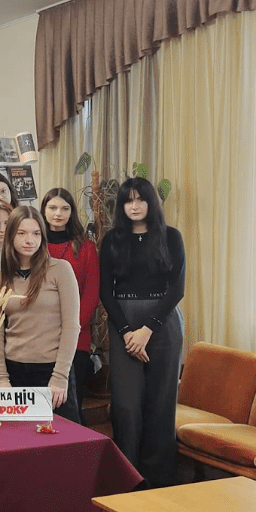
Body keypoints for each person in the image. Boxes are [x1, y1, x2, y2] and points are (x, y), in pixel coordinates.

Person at [99, 178, 184, 488]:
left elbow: (177, 288)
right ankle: (128, 480)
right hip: (123, 321)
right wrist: (126, 332)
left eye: (140, 199)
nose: (134, 206)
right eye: (128, 201)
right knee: (126, 405)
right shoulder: (112, 240)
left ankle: (158, 482)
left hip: (162, 323)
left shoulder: (171, 236)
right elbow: (106, 292)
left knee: (161, 403)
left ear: (151, 202)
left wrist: (147, 329)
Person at [0, 207, 81, 423]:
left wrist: (60, 376)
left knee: (64, 437)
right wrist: (1, 378)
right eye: (22, 233)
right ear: (10, 235)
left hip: (52, 371)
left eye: (36, 233)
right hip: (13, 372)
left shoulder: (60, 270)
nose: (29, 240)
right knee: (18, 438)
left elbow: (71, 326)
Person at [42, 187, 100, 419]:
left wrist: (70, 329)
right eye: (52, 208)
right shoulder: (34, 245)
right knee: (43, 408)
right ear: (43, 210)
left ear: (72, 212)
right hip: (40, 338)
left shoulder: (86, 248)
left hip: (76, 339)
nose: (58, 213)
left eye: (64, 208)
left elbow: (91, 295)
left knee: (71, 407)